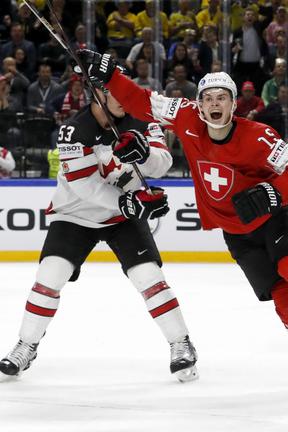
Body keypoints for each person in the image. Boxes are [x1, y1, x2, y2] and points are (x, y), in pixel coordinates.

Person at [77, 49, 288, 387]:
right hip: (237, 231)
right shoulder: (185, 117)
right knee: (285, 299)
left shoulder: (259, 136)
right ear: (198, 103)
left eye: (221, 97)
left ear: (234, 103)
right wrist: (110, 78)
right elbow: (140, 101)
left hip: (276, 216)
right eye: (207, 97)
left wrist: (276, 192)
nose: (214, 103)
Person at [0, 80, 198, 383]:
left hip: (123, 215)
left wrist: (143, 155)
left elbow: (162, 164)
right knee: (48, 277)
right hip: (76, 214)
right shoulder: (73, 130)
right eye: (115, 94)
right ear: (97, 95)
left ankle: (181, 343)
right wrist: (128, 203)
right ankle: (25, 346)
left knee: (149, 278)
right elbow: (85, 186)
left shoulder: (142, 118)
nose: (124, 99)